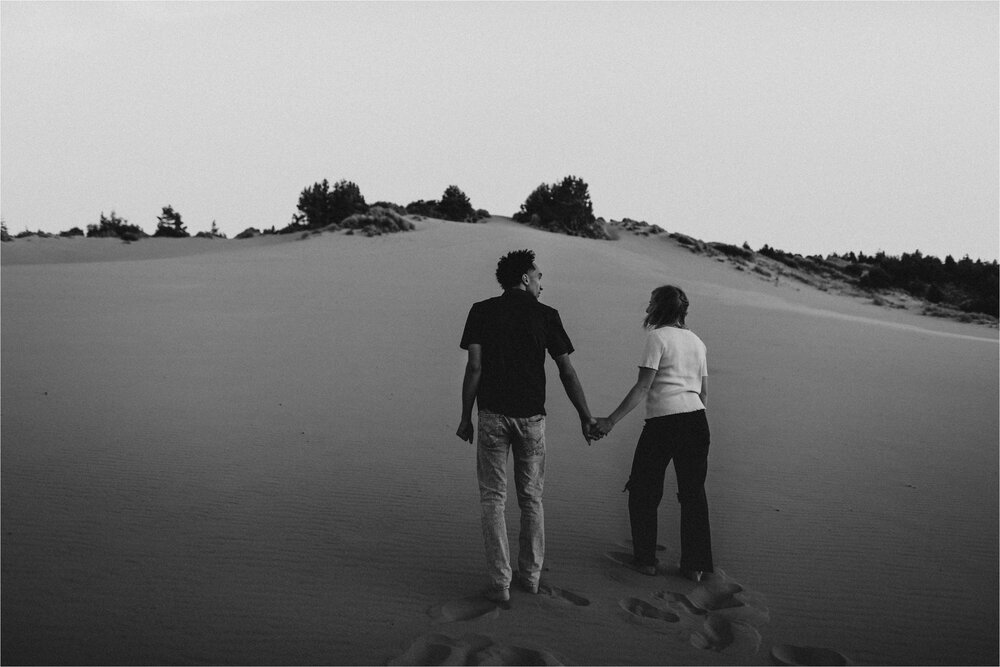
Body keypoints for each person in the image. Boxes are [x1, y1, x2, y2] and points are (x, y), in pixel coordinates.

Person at [457, 249, 596, 602]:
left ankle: (500, 584)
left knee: (493, 499)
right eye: (538, 277)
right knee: (532, 498)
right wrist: (585, 415)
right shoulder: (546, 315)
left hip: (491, 416)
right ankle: (531, 577)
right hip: (532, 419)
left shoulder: (481, 311)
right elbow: (566, 370)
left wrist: (464, 416)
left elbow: (474, 368)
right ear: (524, 279)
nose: (541, 284)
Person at [592, 285, 713, 582]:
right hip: (697, 420)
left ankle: (645, 560)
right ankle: (694, 567)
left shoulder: (656, 338)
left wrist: (610, 420)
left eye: (650, 304)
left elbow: (643, 387)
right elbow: (704, 392)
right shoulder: (698, 342)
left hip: (664, 422)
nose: (647, 310)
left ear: (660, 308)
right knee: (693, 494)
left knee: (644, 490)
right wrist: (693, 418)